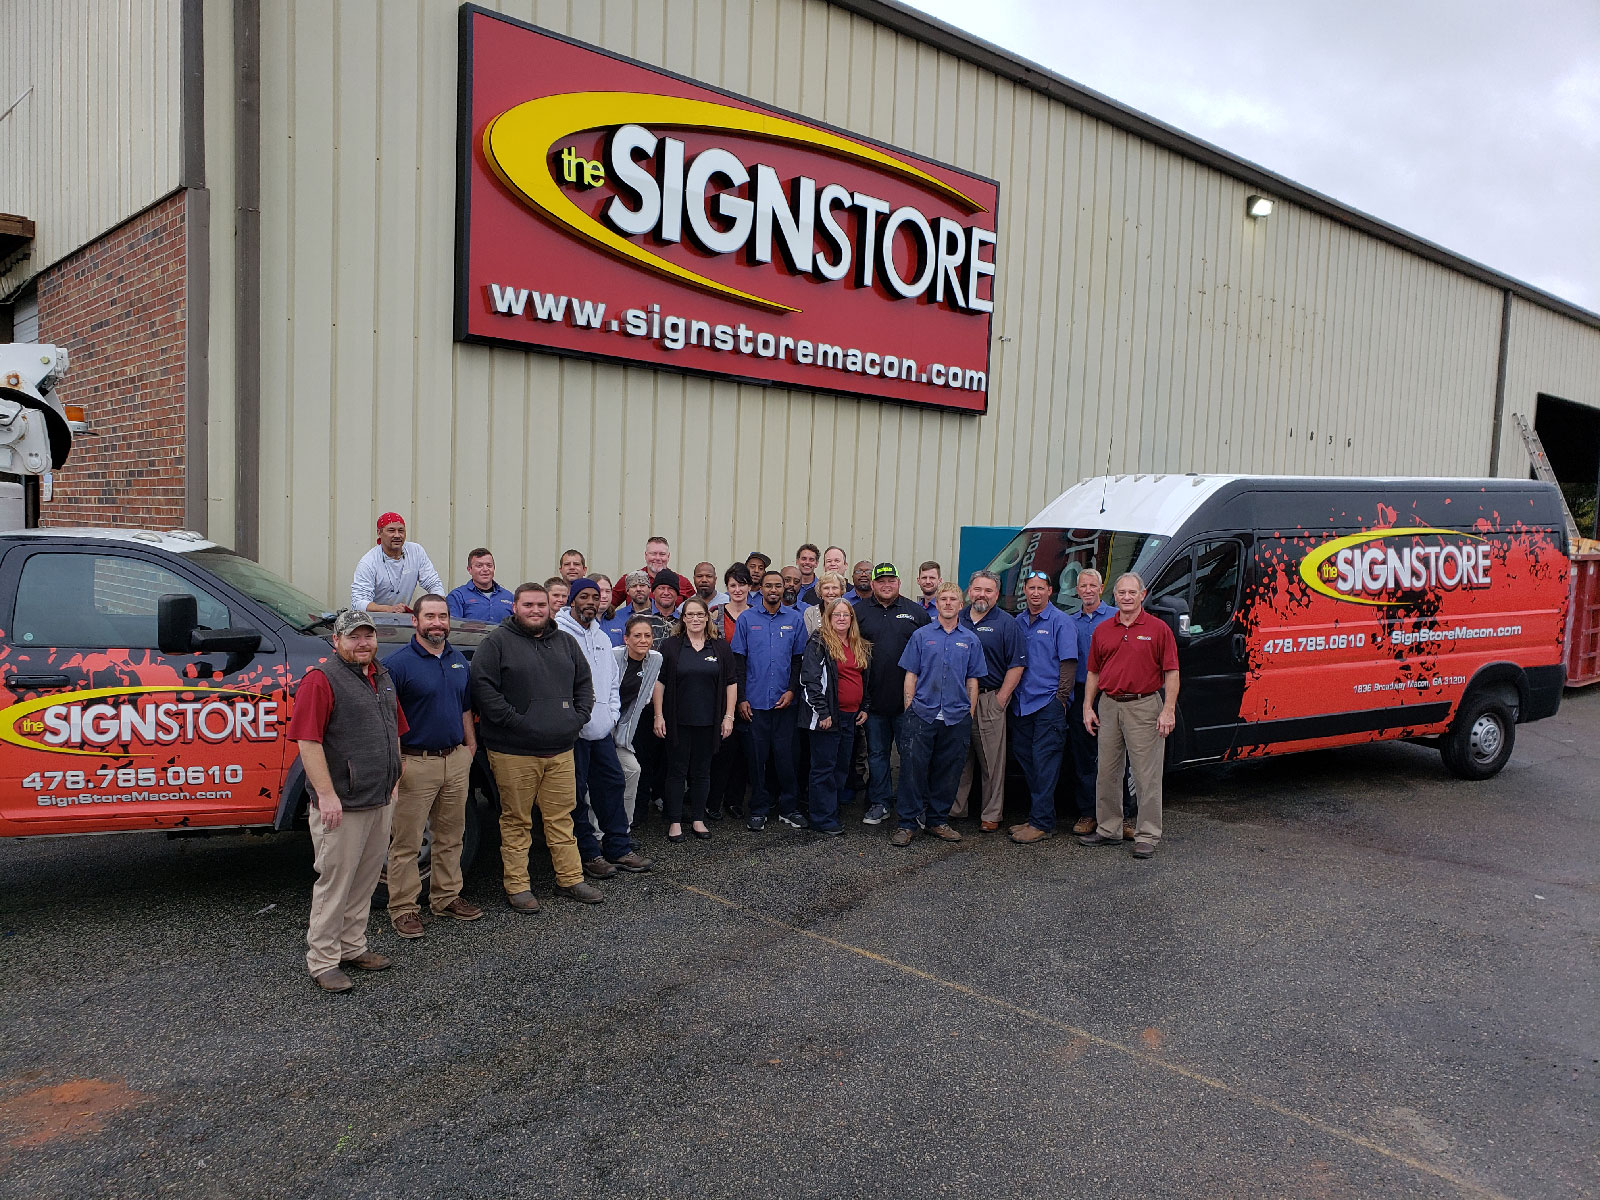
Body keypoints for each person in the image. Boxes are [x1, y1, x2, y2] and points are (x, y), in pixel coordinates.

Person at [287, 609, 406, 992]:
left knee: (366, 880)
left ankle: (353, 946)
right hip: (342, 804)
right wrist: (326, 795)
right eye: (354, 637)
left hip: (379, 798)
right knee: (335, 883)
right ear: (336, 641)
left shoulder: (382, 677)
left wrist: (396, 778)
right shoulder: (322, 681)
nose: (363, 643)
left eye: (368, 636)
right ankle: (322, 961)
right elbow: (308, 741)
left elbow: (396, 730)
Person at [469, 582, 602, 910]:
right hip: (514, 751)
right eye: (527, 605)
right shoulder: (496, 643)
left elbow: (584, 684)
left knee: (561, 817)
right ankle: (517, 887)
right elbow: (483, 689)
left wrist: (578, 718)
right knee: (516, 820)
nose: (535, 610)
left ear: (550, 607)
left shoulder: (566, 643)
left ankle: (570, 879)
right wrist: (517, 722)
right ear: (515, 607)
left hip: (560, 749)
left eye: (541, 605)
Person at [382, 595, 481, 941]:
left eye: (442, 616)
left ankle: (446, 897)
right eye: (430, 617)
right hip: (415, 764)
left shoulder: (458, 661)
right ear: (415, 621)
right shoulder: (398, 665)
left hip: (455, 760)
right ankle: (404, 908)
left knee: (451, 837)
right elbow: (390, 721)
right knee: (406, 843)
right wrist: (397, 766)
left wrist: (469, 747)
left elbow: (465, 706)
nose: (437, 623)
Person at [556, 579, 653, 878]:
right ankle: (588, 852)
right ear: (572, 601)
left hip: (601, 731)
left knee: (612, 784)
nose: (590, 602)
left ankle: (618, 846)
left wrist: (611, 715)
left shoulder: (600, 637)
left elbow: (612, 681)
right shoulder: (559, 635)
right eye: (583, 596)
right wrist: (575, 719)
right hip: (574, 733)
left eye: (595, 597)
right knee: (577, 795)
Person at [1079, 572, 1180, 860]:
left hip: (1144, 706)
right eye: (1121, 592)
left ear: (1142, 595)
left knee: (1146, 775)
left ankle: (1147, 835)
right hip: (1109, 705)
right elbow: (1094, 672)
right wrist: (1088, 706)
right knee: (1107, 771)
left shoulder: (1158, 629)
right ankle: (1108, 828)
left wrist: (1168, 710)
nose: (1126, 597)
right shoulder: (1103, 630)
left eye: (1131, 593)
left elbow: (1172, 672)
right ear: (1115, 596)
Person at [890, 582, 986, 846]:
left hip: (956, 716)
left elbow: (973, 680)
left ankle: (937, 821)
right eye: (943, 598)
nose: (947, 603)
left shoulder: (970, 640)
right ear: (937, 603)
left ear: (960, 605)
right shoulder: (921, 636)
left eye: (953, 599)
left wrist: (970, 712)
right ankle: (907, 824)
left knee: (949, 771)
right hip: (922, 713)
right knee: (912, 770)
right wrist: (910, 707)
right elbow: (911, 674)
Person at [653, 597, 737, 842]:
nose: (695, 619)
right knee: (676, 770)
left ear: (707, 617)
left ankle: (698, 819)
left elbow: (731, 683)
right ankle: (675, 820)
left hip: (709, 721)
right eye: (690, 615)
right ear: (683, 619)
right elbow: (660, 683)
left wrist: (728, 717)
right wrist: (658, 715)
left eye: (700, 615)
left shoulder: (720, 647)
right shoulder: (671, 646)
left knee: (702, 771)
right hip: (677, 721)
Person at [853, 563, 930, 825]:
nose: (887, 585)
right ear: (873, 584)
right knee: (877, 755)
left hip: (909, 703)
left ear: (899, 583)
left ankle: (913, 806)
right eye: (881, 581)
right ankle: (880, 802)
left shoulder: (916, 612)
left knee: (910, 756)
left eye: (891, 581)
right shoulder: (858, 612)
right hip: (872, 701)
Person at [731, 569, 808, 831]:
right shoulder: (746, 619)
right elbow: (738, 663)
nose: (774, 590)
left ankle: (789, 807)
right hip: (755, 703)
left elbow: (799, 661)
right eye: (768, 586)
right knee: (756, 758)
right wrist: (741, 699)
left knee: (786, 757)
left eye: (778, 585)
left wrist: (791, 690)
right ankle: (759, 808)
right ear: (760, 588)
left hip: (785, 702)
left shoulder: (795, 620)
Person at [1008, 570, 1077, 844]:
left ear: (1050, 591)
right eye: (1030, 588)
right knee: (1028, 762)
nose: (1035, 593)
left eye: (1041, 588)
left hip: (1048, 703)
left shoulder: (1061, 622)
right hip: (1022, 704)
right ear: (1024, 591)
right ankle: (1037, 815)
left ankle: (1042, 823)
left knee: (1045, 764)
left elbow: (1069, 664)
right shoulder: (1019, 621)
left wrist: (1060, 699)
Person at [953, 571, 1025, 831]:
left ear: (997, 594)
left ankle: (991, 815)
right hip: (957, 698)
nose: (982, 595)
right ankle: (955, 809)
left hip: (988, 697)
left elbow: (1016, 665)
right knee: (958, 757)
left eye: (988, 590)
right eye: (977, 589)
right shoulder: (956, 618)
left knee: (991, 761)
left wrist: (1001, 698)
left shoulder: (1006, 623)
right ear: (969, 590)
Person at [1067, 569, 1136, 839]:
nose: (1087, 590)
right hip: (1082, 693)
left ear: (1101, 587)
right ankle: (1089, 813)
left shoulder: (1115, 618)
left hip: (1112, 693)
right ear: (1077, 590)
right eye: (1082, 586)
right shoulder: (1070, 622)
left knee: (1120, 757)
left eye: (1092, 585)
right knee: (1083, 756)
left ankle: (1126, 815)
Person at [798, 599, 871, 835]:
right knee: (823, 768)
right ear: (828, 618)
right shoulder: (819, 643)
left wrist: (865, 706)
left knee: (841, 766)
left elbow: (864, 679)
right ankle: (822, 818)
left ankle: (831, 810)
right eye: (836, 615)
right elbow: (809, 680)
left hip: (851, 716)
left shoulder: (857, 644)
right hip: (829, 717)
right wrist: (823, 712)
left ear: (852, 619)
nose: (841, 618)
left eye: (846, 615)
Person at [708, 564, 754, 819]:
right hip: (719, 688)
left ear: (749, 587)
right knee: (720, 747)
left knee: (741, 749)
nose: (737, 590)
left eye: (742, 584)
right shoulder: (714, 614)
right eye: (733, 585)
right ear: (727, 588)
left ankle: (735, 800)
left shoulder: (756, 615)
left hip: (748, 686)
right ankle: (713, 800)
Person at [612, 616, 662, 828]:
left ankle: (624, 828)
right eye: (637, 636)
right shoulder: (613, 657)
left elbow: (647, 694)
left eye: (647, 636)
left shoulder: (655, 659)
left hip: (624, 730)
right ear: (626, 639)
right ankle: (597, 835)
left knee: (633, 770)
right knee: (602, 779)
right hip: (602, 728)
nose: (643, 640)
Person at [352, 512, 444, 613]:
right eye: (391, 530)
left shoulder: (416, 551)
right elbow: (359, 603)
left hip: (401, 619)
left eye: (401, 530)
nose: (397, 535)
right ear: (379, 533)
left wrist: (438, 604)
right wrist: (390, 609)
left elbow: (433, 583)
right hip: (372, 621)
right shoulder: (368, 562)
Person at [610, 536, 694, 607]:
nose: (657, 558)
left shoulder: (682, 582)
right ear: (646, 555)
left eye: (662, 554)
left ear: (668, 556)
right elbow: (608, 607)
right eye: (653, 554)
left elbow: (698, 607)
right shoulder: (630, 579)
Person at [446, 547, 514, 623]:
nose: (485, 569)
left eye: (489, 565)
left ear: (494, 568)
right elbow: (454, 627)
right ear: (469, 570)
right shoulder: (457, 597)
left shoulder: (509, 597)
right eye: (479, 566)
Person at [592, 573, 627, 646]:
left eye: (607, 591)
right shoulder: (580, 621)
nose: (604, 596)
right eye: (600, 591)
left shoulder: (619, 622)